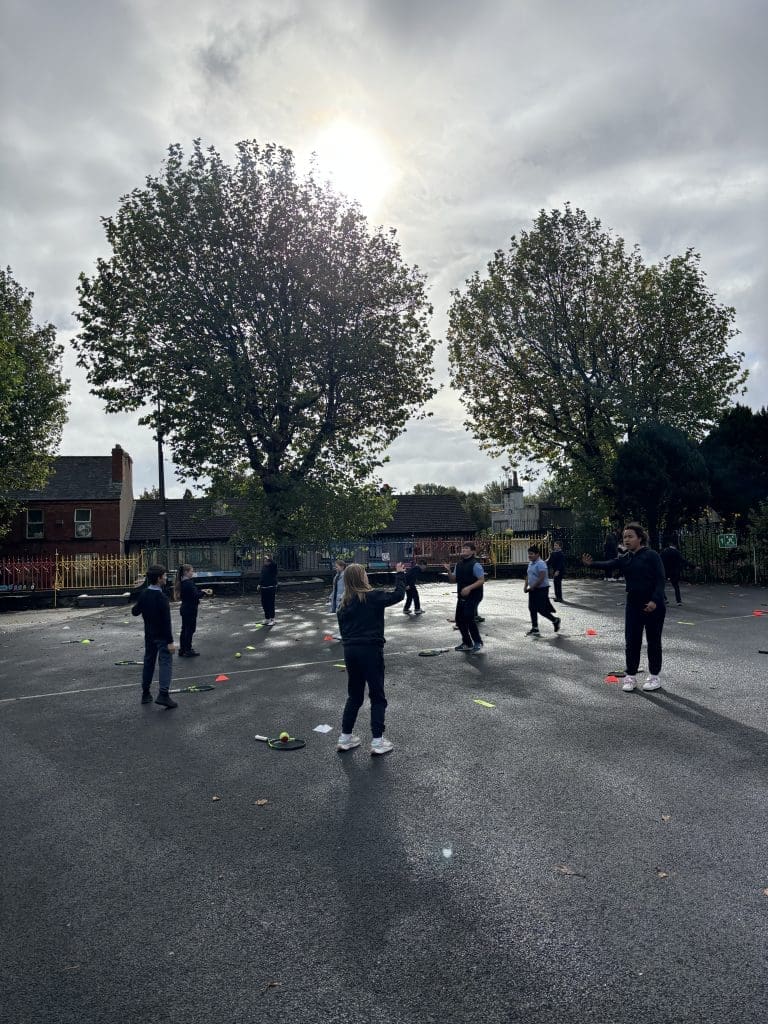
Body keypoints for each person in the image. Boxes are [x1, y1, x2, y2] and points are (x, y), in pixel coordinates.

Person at [583, 522, 666, 693]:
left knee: (653, 641)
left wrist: (655, 601)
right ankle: (631, 676)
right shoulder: (625, 558)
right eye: (624, 537)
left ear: (640, 538)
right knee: (632, 641)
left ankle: (654, 676)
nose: (626, 540)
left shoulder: (652, 556)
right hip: (633, 606)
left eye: (630, 536)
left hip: (653, 606)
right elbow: (609, 564)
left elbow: (660, 580)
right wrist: (592, 564)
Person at [336, 562, 406, 756]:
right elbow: (398, 595)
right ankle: (377, 741)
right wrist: (400, 575)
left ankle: (345, 737)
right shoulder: (372, 596)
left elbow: (343, 632)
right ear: (362, 577)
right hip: (370, 650)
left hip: (350, 651)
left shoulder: (343, 603)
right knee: (377, 695)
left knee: (355, 695)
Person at [132, 564, 177, 708]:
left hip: (149, 635)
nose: (165, 577)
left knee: (149, 662)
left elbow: (135, 612)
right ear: (159, 578)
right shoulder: (162, 597)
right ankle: (163, 694)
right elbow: (166, 622)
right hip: (162, 636)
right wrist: (170, 642)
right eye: (164, 575)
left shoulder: (144, 594)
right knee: (165, 663)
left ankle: (146, 693)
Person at [443, 541, 484, 653]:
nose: (463, 550)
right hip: (462, 596)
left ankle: (478, 642)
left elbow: (481, 580)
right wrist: (448, 571)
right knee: (459, 620)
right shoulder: (459, 564)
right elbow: (453, 580)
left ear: (472, 551)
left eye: (466, 548)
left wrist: (469, 588)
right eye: (463, 548)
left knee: (468, 617)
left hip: (474, 596)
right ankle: (467, 643)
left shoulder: (476, 565)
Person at [174, 564, 213, 657]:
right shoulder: (188, 583)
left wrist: (201, 591)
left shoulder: (183, 582)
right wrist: (203, 592)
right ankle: (188, 650)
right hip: (190, 609)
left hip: (185, 608)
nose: (193, 573)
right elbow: (195, 595)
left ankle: (182, 649)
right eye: (191, 571)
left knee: (184, 629)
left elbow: (191, 593)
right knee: (190, 630)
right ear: (186, 572)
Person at [524, 545, 561, 636]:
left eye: (531, 554)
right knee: (532, 608)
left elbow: (541, 578)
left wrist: (532, 587)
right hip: (532, 589)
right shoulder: (531, 563)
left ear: (537, 554)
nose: (529, 556)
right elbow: (528, 575)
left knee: (541, 609)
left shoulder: (541, 563)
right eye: (529, 554)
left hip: (541, 590)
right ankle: (535, 628)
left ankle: (555, 620)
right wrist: (525, 586)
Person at [660, 541, 694, 606]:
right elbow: (683, 561)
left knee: (661, 585)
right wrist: (692, 566)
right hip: (674, 571)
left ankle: (665, 599)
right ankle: (678, 601)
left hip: (665, 571)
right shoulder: (676, 552)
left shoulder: (664, 552)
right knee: (676, 586)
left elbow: (659, 560)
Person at [259, 554, 278, 625]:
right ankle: (267, 619)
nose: (265, 561)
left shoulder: (273, 567)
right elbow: (262, 576)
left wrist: (269, 558)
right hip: (263, 588)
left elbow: (274, 564)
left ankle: (272, 619)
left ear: (270, 561)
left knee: (271, 603)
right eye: (265, 560)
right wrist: (259, 584)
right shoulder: (264, 567)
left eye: (267, 560)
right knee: (264, 603)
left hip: (271, 587)